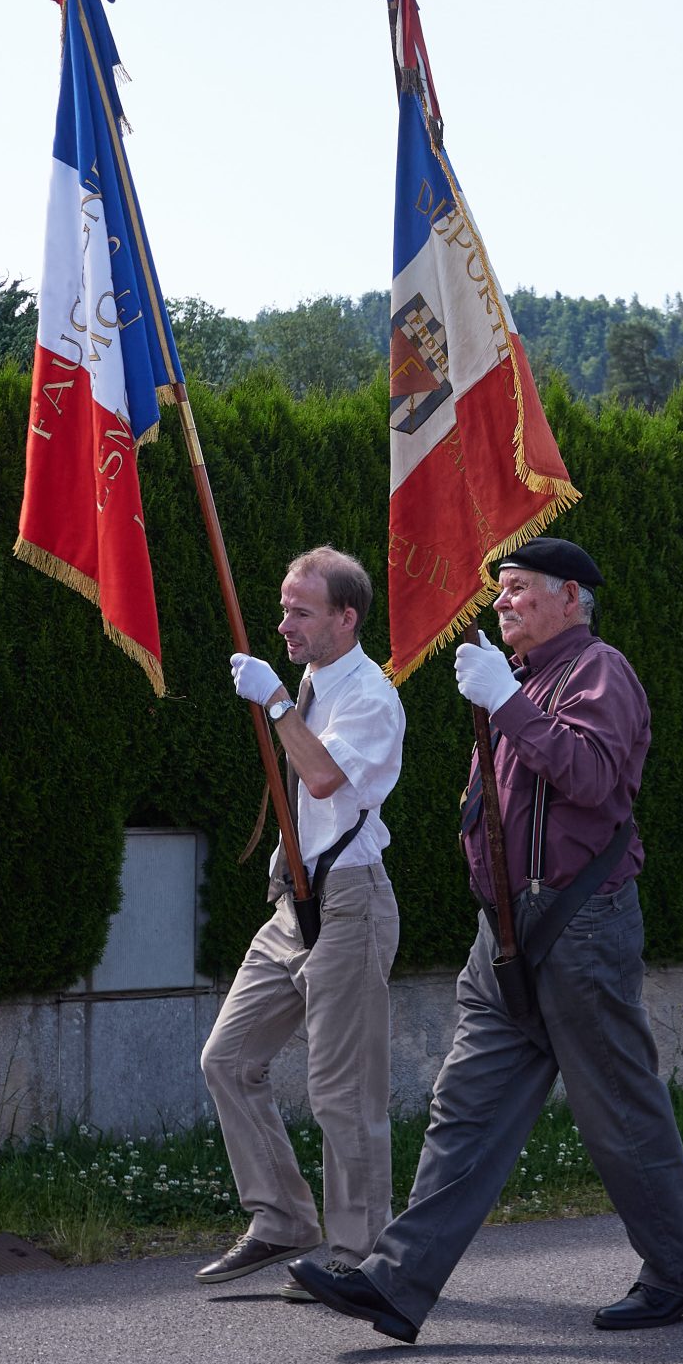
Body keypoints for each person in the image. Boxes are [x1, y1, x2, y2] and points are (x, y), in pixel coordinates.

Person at [289, 538, 683, 1342]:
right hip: (505, 933)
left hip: (579, 925)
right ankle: (396, 1282)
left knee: (618, 1112)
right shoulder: (521, 678)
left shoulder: (599, 672)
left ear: (570, 599)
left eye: (519, 588)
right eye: (501, 589)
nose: (503, 601)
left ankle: (678, 1276)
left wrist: (507, 703)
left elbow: (590, 777)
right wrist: (505, 696)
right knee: (465, 1109)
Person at [197, 547, 405, 1301]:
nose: (284, 624)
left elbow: (321, 778)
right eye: (283, 608)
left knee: (343, 1093)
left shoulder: (370, 697)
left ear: (347, 618)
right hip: (296, 902)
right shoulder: (316, 681)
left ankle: (360, 1255)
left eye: (301, 612)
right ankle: (283, 1219)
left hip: (350, 902)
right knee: (227, 1060)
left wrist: (278, 703)